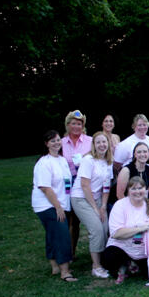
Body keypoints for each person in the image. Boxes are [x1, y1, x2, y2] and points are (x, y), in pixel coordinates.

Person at [102, 176, 149, 284]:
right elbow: (116, 233)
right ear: (128, 191)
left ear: (145, 190)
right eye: (133, 189)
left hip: (144, 250)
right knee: (109, 257)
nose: (137, 192)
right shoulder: (120, 206)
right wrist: (139, 229)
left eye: (140, 188)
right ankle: (127, 264)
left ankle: (131, 265)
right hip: (123, 247)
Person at [31, 130, 77, 282]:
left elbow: (66, 183)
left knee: (53, 233)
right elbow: (45, 188)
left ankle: (55, 267)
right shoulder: (44, 163)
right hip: (47, 205)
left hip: (61, 203)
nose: (57, 143)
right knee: (62, 235)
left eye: (58, 140)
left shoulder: (62, 160)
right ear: (46, 144)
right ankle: (65, 271)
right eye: (52, 141)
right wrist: (57, 207)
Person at [70, 132, 113, 278]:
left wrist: (103, 206)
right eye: (98, 142)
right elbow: (84, 185)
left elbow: (106, 187)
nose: (102, 145)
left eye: (104, 142)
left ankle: (105, 261)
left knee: (105, 227)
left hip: (98, 198)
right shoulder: (88, 160)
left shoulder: (108, 162)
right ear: (94, 145)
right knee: (96, 229)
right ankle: (96, 266)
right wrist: (95, 208)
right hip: (81, 198)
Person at [61, 110, 92, 260]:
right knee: (68, 218)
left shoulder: (90, 141)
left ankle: (72, 251)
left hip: (84, 182)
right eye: (73, 123)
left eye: (79, 124)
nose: (76, 126)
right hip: (66, 183)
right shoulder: (60, 143)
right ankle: (67, 251)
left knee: (77, 219)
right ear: (68, 125)